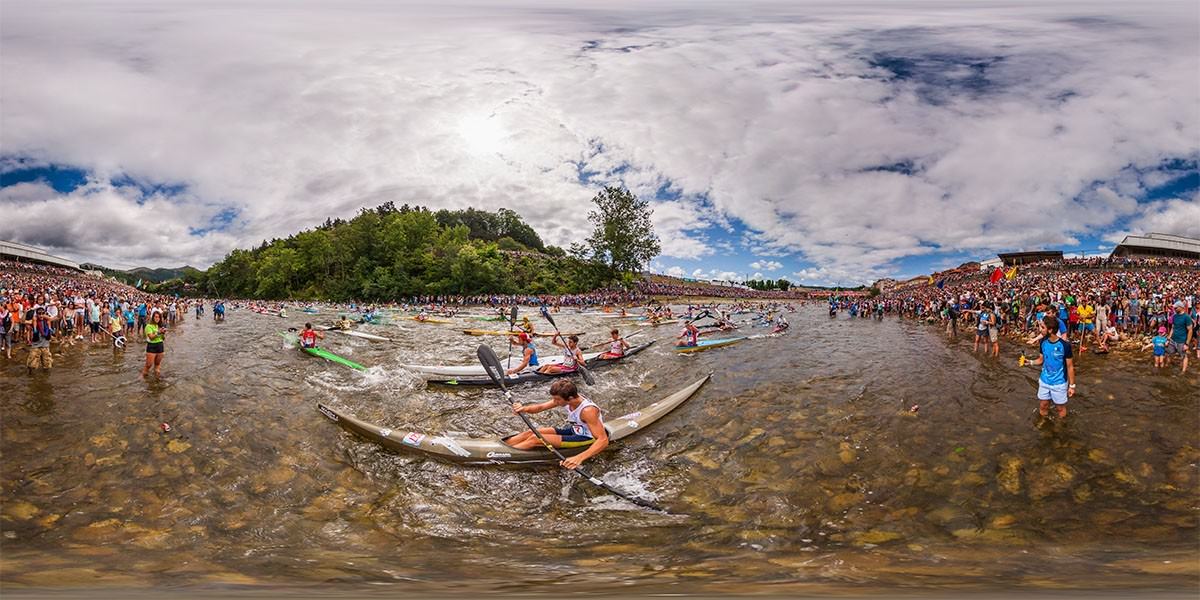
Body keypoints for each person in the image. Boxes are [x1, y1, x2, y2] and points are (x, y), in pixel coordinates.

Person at [505, 379, 608, 470]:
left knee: (535, 439)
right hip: (574, 429)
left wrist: (579, 458)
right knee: (530, 433)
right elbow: (540, 407)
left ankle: (504, 455)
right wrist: (524, 409)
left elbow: (603, 440)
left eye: (557, 400)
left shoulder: (588, 411)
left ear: (571, 398)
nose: (554, 402)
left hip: (586, 437)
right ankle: (502, 447)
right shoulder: (567, 398)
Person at [1025, 314, 1075, 419]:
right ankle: (1044, 425)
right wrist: (1030, 362)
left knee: (1060, 408)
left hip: (1059, 383)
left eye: (1042, 327)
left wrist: (1072, 386)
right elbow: (1041, 360)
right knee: (1043, 405)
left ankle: (1060, 428)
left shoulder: (1065, 346)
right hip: (1044, 381)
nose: (1040, 329)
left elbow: (1070, 367)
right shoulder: (1043, 342)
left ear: (1050, 330)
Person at [1165, 301, 1192, 373]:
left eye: (1176, 308)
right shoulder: (1175, 316)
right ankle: (1167, 367)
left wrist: (1187, 344)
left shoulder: (1187, 317)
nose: (1174, 309)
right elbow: (1173, 328)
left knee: (1184, 356)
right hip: (1173, 339)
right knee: (1168, 353)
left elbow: (1190, 330)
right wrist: (1168, 339)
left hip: (1182, 341)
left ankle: (1183, 372)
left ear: (1181, 307)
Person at [27, 307, 54, 373]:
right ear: (37, 314)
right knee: (31, 366)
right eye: (39, 313)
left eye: (43, 313)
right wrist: (26, 312)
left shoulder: (47, 321)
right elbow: (22, 321)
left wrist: (59, 309)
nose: (41, 315)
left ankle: (45, 378)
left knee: (47, 365)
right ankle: (31, 377)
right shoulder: (33, 321)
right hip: (36, 346)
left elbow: (59, 317)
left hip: (45, 346)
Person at [141, 311, 166, 378]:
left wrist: (163, 333)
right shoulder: (148, 326)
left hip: (160, 345)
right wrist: (158, 332)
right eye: (156, 317)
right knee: (148, 365)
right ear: (153, 317)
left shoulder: (160, 326)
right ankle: (142, 377)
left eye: (159, 317)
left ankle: (157, 378)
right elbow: (151, 337)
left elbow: (163, 338)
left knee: (157, 364)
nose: (157, 319)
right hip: (152, 346)